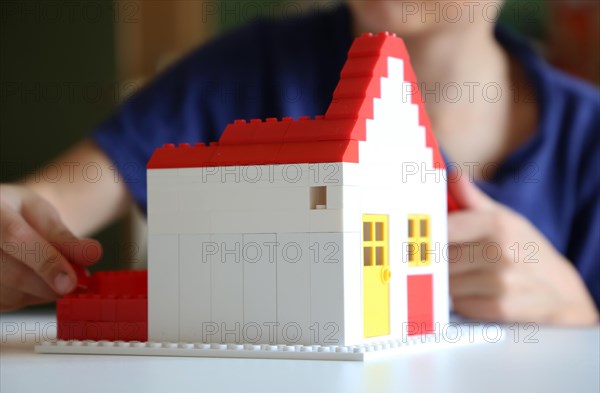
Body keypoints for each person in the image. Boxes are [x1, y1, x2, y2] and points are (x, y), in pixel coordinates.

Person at [1, 1, 598, 325]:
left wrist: (577, 314)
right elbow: (53, 201)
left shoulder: (587, 135)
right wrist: (17, 228)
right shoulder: (239, 71)